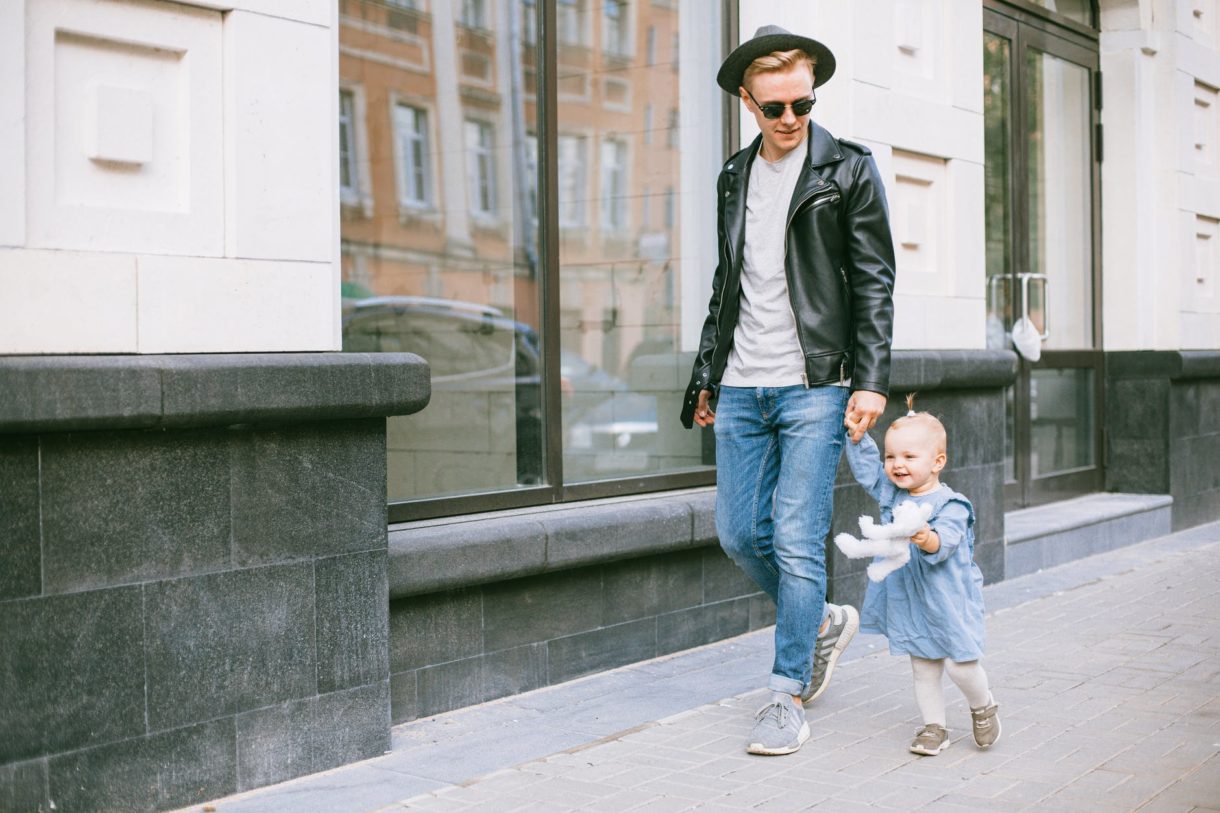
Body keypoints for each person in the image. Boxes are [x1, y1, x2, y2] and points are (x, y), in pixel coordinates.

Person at [679, 25, 897, 756]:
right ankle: (824, 622)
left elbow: (874, 281)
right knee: (741, 533)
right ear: (748, 101)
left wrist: (870, 379)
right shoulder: (735, 177)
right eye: (774, 107)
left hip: (816, 384)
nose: (791, 119)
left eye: (802, 102)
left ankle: (785, 693)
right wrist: (707, 373)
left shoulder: (848, 170)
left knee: (799, 538)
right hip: (742, 384)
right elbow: (727, 283)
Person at [843, 395, 1001, 755]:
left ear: (937, 462)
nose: (897, 465)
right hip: (912, 599)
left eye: (909, 457)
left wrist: (926, 538)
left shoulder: (952, 505)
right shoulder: (892, 495)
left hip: (949, 598)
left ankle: (983, 705)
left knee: (961, 665)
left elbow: (945, 543)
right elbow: (868, 470)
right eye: (891, 456)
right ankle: (935, 727)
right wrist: (857, 439)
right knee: (924, 666)